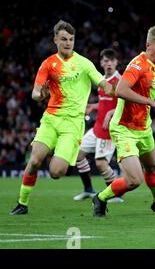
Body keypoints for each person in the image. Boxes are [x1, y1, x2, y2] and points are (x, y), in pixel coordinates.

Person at [10, 20, 114, 215]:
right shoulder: (48, 64)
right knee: (33, 161)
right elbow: (35, 93)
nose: (68, 43)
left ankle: (83, 184)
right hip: (51, 119)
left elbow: (102, 82)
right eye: (64, 39)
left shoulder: (84, 63)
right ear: (55, 40)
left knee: (56, 172)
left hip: (72, 124)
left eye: (72, 39)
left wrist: (111, 88)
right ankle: (22, 203)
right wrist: (42, 94)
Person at [91, 26, 155, 217]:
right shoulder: (137, 65)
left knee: (152, 167)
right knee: (134, 180)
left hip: (143, 126)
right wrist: (151, 102)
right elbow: (121, 90)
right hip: (124, 129)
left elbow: (138, 95)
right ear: (148, 45)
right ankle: (100, 197)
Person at [73, 48, 124, 203]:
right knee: (77, 155)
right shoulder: (102, 80)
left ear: (116, 62)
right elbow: (105, 102)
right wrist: (93, 107)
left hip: (109, 131)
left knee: (101, 163)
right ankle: (88, 190)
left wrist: (110, 114)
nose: (108, 63)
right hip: (97, 128)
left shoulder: (120, 81)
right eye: (105, 60)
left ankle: (115, 193)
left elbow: (126, 105)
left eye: (111, 60)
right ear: (101, 63)